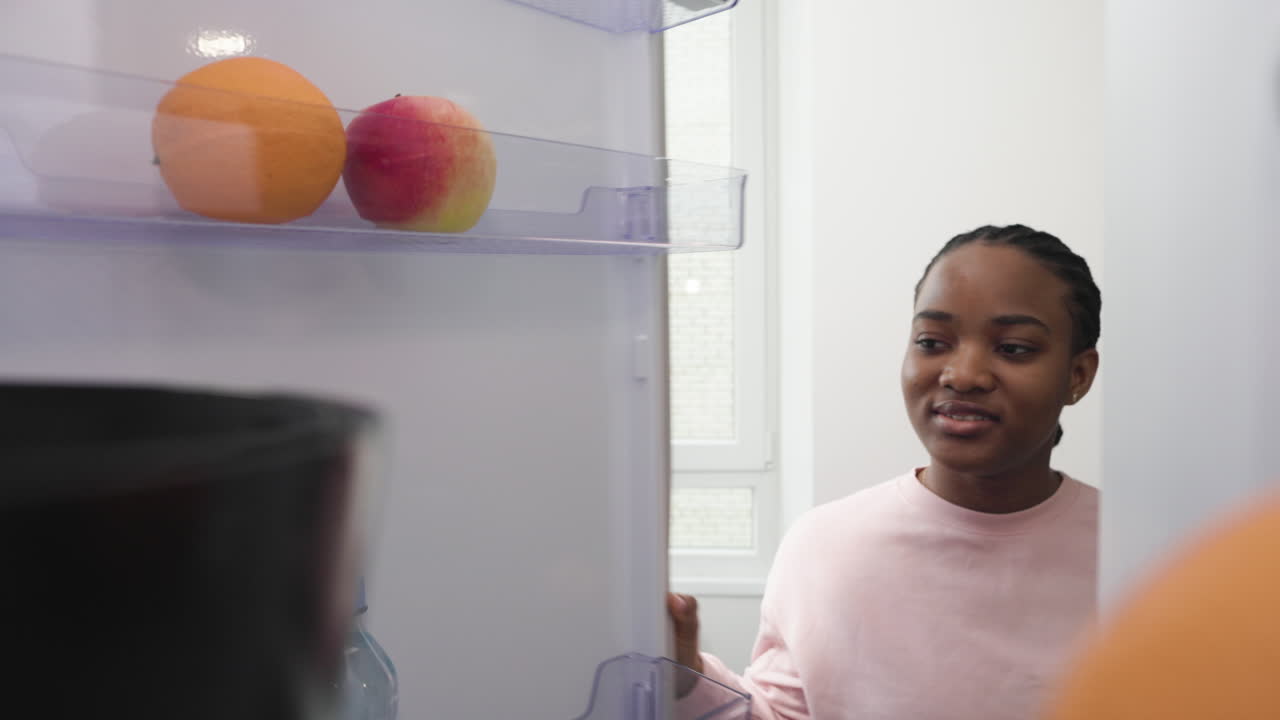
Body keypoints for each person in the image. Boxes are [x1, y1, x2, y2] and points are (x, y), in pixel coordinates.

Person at [669, 224, 1102, 720]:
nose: (962, 375)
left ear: (1077, 375)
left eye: (1014, 348)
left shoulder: (1136, 556)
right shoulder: (827, 546)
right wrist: (686, 677)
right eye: (932, 342)